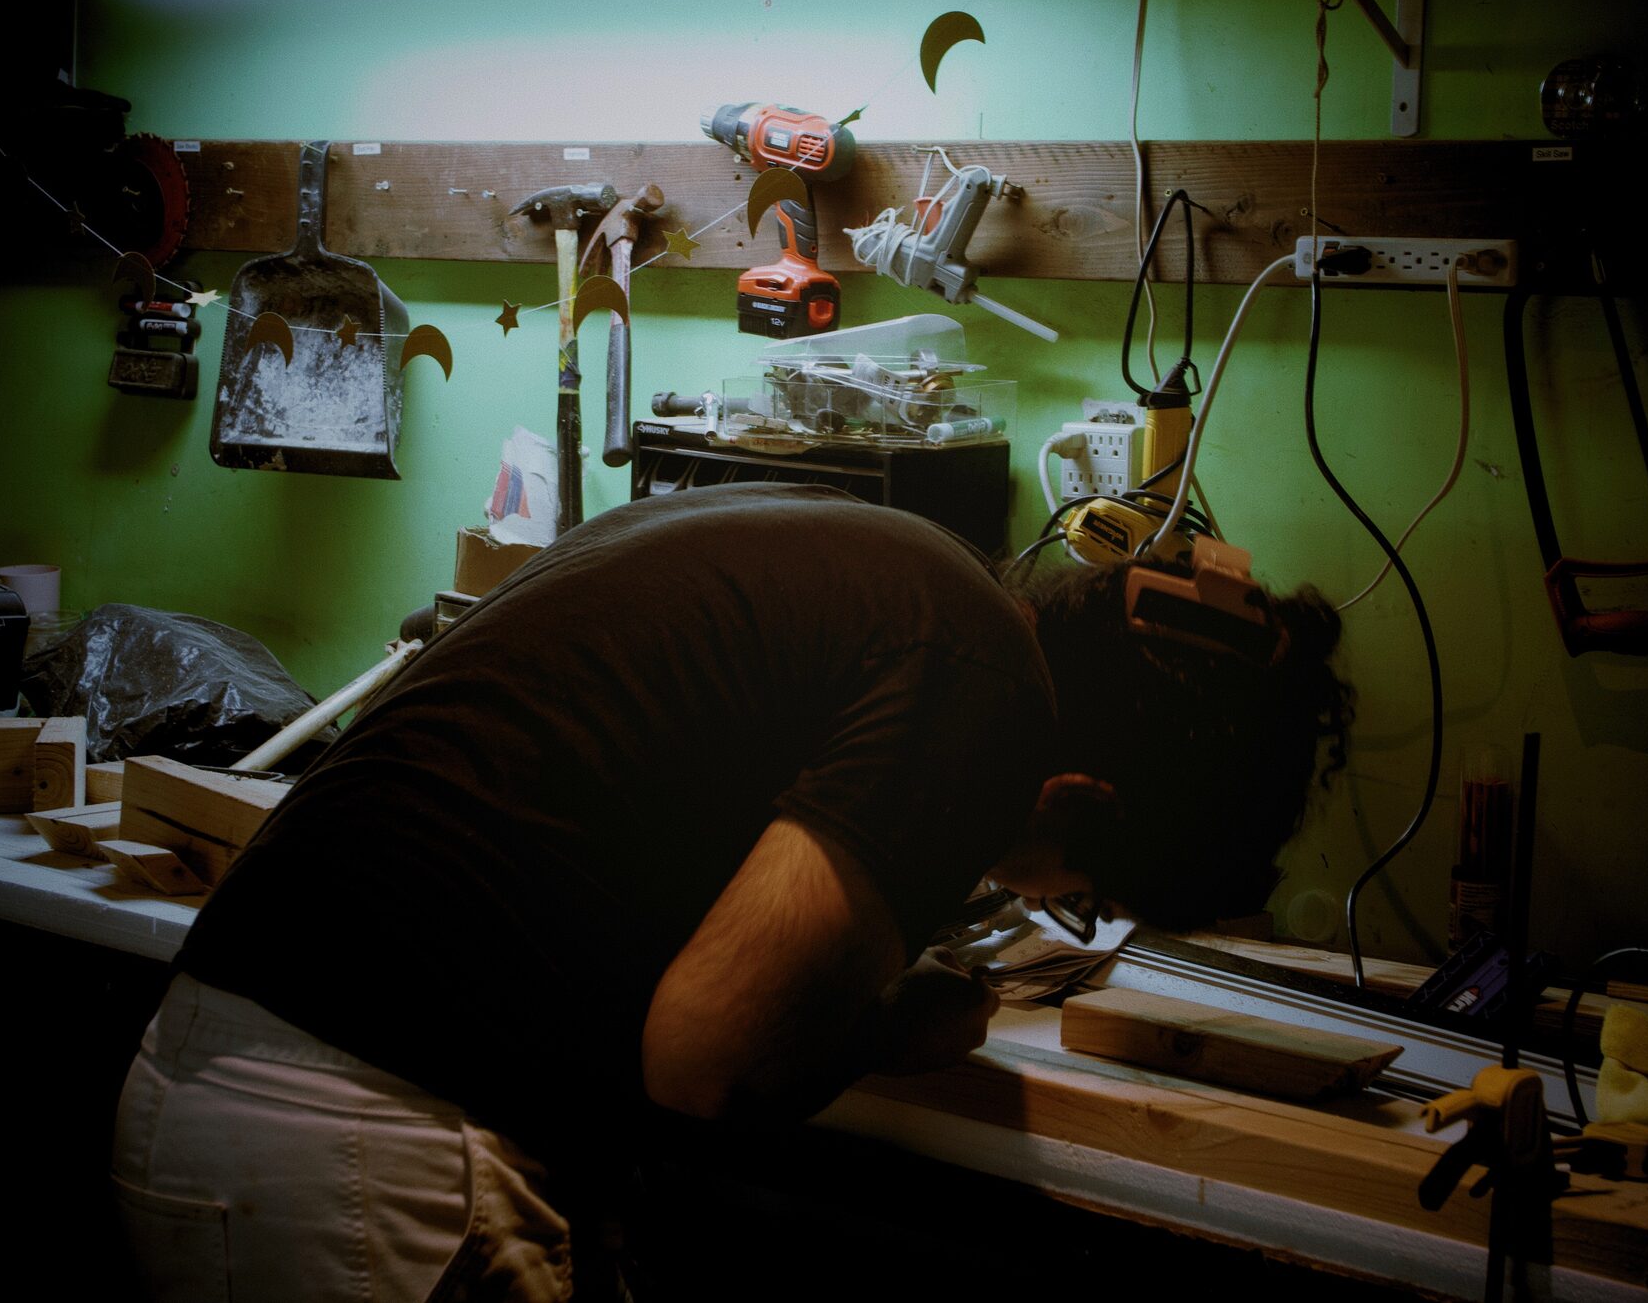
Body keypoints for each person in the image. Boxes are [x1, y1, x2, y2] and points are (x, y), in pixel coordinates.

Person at [111, 481, 1351, 1301]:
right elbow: (706, 1057)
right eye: (1070, 892)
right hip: (366, 1154)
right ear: (1082, 794)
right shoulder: (983, 689)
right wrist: (888, 1028)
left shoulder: (865, 566)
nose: (1016, 894)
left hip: (222, 1073)